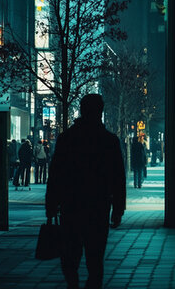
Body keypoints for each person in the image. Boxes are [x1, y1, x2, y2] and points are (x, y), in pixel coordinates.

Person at [45, 94, 126, 289]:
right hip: (98, 207)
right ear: (101, 112)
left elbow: (55, 175)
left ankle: (73, 284)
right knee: (95, 259)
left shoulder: (67, 139)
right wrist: (118, 208)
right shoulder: (109, 141)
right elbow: (118, 178)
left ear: (82, 110)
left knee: (70, 256)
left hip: (71, 206)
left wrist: (51, 204)